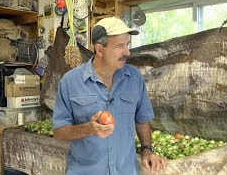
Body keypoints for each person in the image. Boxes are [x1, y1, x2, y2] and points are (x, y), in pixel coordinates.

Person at [53, 16, 167, 175]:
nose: (127, 52)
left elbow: (142, 119)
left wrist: (147, 149)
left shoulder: (134, 78)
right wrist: (88, 128)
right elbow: (59, 132)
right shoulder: (70, 82)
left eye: (127, 45)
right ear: (100, 49)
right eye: (119, 46)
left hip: (126, 171)